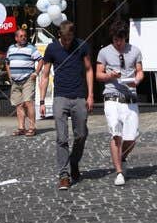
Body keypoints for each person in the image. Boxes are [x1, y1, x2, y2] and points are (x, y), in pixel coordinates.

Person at [39, 20, 93, 191]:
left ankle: (74, 162)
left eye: (70, 38)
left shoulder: (81, 45)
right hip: (60, 97)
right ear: (59, 36)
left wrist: (90, 95)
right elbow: (45, 74)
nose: (68, 42)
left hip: (79, 96)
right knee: (62, 138)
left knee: (81, 134)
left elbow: (89, 69)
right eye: (65, 39)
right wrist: (42, 100)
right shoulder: (52, 48)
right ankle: (64, 175)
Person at [95, 21, 144, 186]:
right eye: (116, 39)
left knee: (131, 137)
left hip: (130, 98)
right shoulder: (104, 52)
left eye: (121, 40)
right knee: (116, 133)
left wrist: (136, 81)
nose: (118, 43)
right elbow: (98, 75)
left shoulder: (135, 51)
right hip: (111, 97)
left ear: (125, 38)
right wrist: (110, 76)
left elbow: (140, 72)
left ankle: (122, 156)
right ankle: (119, 172)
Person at [6, 26, 39, 137]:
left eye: (25, 36)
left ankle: (32, 127)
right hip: (15, 81)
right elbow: (7, 62)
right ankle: (21, 128)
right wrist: (10, 75)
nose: (24, 38)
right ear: (16, 38)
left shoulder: (31, 48)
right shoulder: (11, 48)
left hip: (27, 79)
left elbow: (41, 60)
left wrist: (36, 73)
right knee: (19, 104)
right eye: (21, 36)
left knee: (28, 102)